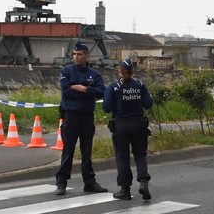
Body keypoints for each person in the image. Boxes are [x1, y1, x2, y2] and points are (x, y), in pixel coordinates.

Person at [55, 42, 108, 195]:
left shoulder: (94, 74)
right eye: (74, 54)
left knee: (87, 151)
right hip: (71, 116)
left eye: (80, 54)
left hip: (86, 117)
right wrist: (87, 92)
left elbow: (101, 92)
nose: (76, 57)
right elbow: (66, 92)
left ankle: (89, 182)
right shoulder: (67, 71)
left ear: (86, 56)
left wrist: (84, 88)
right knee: (68, 150)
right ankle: (62, 182)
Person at [103, 58, 153, 200]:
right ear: (133, 71)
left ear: (119, 71)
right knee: (140, 155)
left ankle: (125, 190)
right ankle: (143, 183)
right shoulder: (140, 85)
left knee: (122, 157)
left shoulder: (113, 87)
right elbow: (148, 104)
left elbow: (106, 108)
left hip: (120, 126)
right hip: (138, 125)